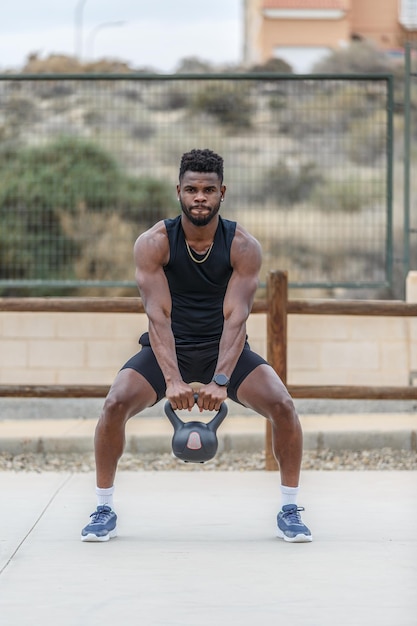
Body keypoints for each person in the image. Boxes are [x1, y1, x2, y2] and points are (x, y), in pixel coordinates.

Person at [81, 148, 312, 543]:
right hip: (167, 348)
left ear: (223, 192)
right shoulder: (154, 243)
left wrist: (221, 379)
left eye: (208, 190)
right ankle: (103, 507)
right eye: (192, 190)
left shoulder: (242, 246)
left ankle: (290, 508)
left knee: (283, 406)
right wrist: (171, 379)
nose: (200, 197)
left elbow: (236, 318)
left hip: (225, 349)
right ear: (179, 192)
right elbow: (158, 316)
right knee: (115, 403)